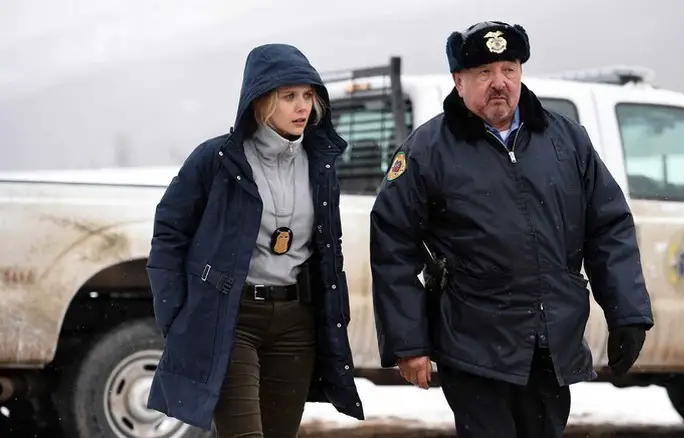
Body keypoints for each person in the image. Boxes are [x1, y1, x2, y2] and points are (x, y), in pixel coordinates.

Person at [369, 21, 654, 438]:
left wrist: (627, 313)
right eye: (484, 72)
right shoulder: (426, 151)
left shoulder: (567, 141)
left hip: (551, 345)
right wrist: (408, 342)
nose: (499, 83)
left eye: (509, 69)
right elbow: (392, 245)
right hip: (473, 345)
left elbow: (609, 227)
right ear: (458, 81)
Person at [145, 43, 365, 437]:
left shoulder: (321, 164)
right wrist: (175, 314)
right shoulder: (216, 160)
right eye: (289, 96)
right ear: (261, 102)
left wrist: (334, 312)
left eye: (308, 96)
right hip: (232, 319)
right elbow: (169, 235)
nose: (303, 107)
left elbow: (328, 250)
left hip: (295, 324)